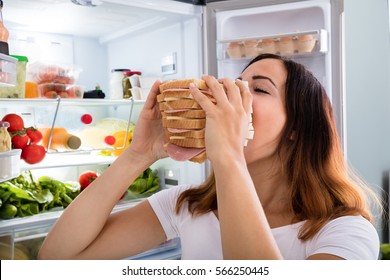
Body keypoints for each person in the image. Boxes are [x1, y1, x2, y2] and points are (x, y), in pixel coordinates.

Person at [38, 53, 381, 260]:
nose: (232, 94)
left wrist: (229, 156)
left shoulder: (345, 232)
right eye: (234, 82)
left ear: (297, 128)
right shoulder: (190, 206)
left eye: (258, 89)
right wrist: (138, 154)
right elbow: (57, 258)